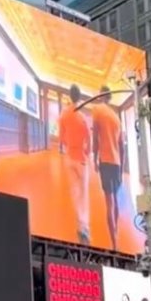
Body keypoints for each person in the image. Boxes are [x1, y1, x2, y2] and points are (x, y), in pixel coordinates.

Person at [89, 86, 124, 250]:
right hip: (116, 163)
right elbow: (121, 146)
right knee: (115, 201)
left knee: (108, 202)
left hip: (105, 161)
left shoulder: (97, 110)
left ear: (100, 95)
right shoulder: (116, 117)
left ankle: (114, 243)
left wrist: (95, 159)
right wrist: (122, 167)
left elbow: (95, 138)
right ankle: (115, 231)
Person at [59, 85, 93, 245]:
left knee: (75, 192)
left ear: (69, 95)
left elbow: (61, 138)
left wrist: (69, 145)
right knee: (84, 193)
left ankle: (80, 221)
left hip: (70, 157)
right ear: (79, 97)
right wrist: (87, 150)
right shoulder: (82, 116)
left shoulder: (63, 114)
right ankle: (84, 227)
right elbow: (89, 139)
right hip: (81, 158)